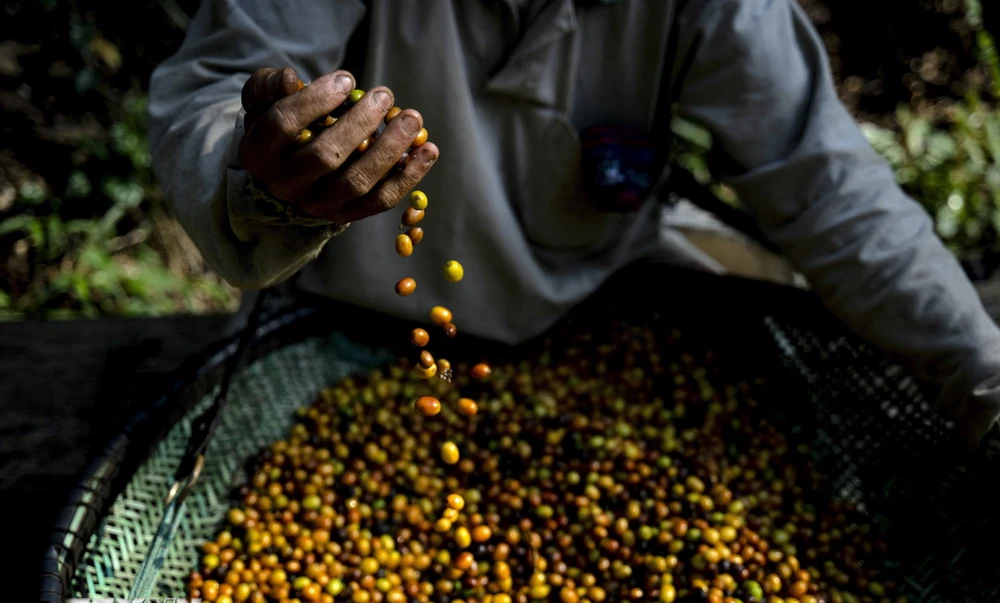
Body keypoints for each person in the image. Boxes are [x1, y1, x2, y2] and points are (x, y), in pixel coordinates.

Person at [148, 0, 1000, 449]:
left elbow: (832, 195)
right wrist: (262, 178)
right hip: (351, 333)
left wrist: (980, 374)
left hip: (600, 316)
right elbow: (217, 88)